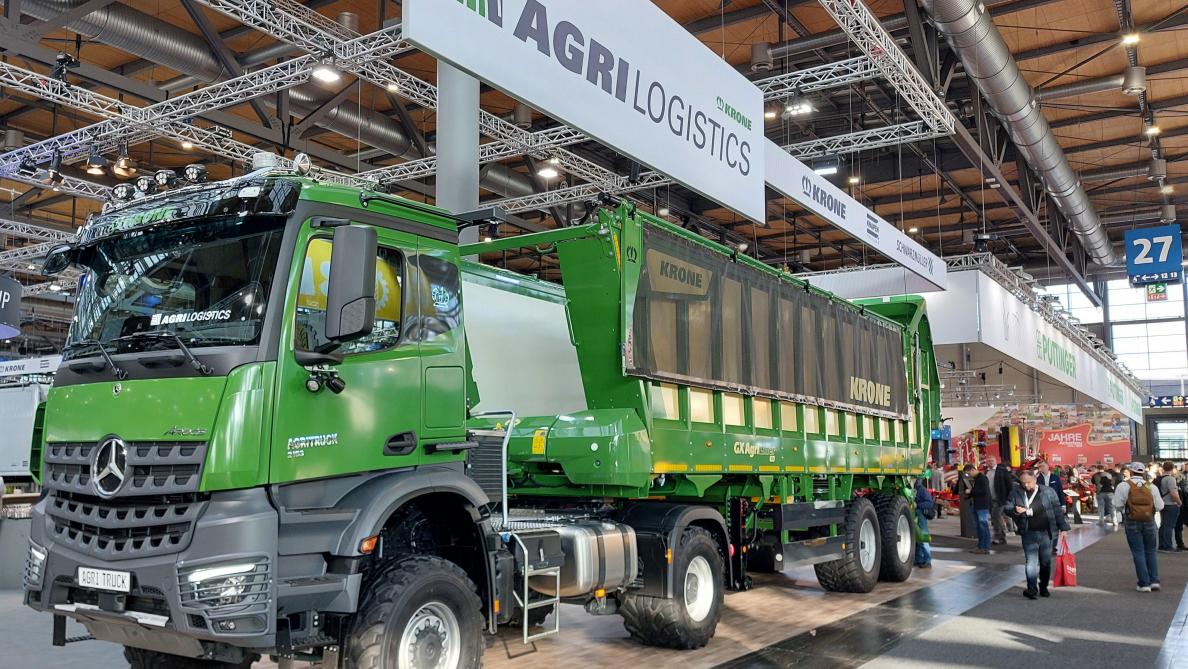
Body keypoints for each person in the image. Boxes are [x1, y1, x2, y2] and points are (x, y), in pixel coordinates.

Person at [1005, 470, 1070, 599]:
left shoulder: (1048, 491)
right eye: (1022, 483)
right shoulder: (1016, 492)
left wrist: (1063, 527)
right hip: (1028, 532)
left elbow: (1057, 510)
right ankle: (1032, 590)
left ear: (1035, 479)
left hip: (1047, 532)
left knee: (1045, 562)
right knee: (1031, 562)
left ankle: (1044, 586)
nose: (1026, 485)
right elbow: (1007, 508)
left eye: (1028, 482)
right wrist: (1015, 511)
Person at [1115, 462, 1164, 592]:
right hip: (1149, 520)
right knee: (1151, 551)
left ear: (1130, 471)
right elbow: (1160, 506)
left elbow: (1117, 505)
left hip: (1132, 522)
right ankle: (1154, 581)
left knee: (1138, 551)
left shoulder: (1123, 485)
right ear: (1143, 472)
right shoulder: (1150, 486)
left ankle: (1144, 583)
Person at [1156, 461, 1182, 552]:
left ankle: (1162, 545)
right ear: (1172, 468)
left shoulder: (1160, 478)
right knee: (1169, 526)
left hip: (1163, 503)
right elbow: (1173, 493)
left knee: (1163, 525)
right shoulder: (1170, 479)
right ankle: (1168, 546)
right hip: (1171, 504)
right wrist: (1179, 502)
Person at [969, 465, 993, 554]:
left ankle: (984, 547)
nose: (969, 475)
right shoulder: (978, 478)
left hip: (982, 506)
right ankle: (980, 546)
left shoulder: (982, 478)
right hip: (977, 505)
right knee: (979, 527)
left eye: (969, 473)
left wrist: (971, 492)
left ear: (972, 470)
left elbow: (984, 491)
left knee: (983, 526)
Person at [992, 460, 1016, 543]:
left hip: (1001, 499)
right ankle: (1001, 536)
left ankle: (999, 536)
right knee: (997, 517)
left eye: (992, 460)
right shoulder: (987, 472)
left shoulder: (1003, 472)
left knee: (997, 516)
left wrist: (1008, 498)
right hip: (992, 499)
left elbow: (1010, 486)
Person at [915, 476, 935, 569]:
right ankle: (919, 559)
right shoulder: (919, 489)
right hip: (917, 515)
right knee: (918, 539)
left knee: (922, 537)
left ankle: (927, 560)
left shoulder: (921, 490)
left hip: (920, 515)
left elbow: (929, 503)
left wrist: (917, 505)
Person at [957, 466, 975, 539]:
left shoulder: (980, 478)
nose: (969, 475)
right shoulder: (967, 478)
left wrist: (971, 491)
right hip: (969, 500)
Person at [1178, 463, 1188, 550]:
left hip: (1184, 502)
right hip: (1183, 503)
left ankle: (1180, 544)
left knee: (1179, 524)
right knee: (1179, 525)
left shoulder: (1179, 476)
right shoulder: (1180, 476)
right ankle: (1180, 544)